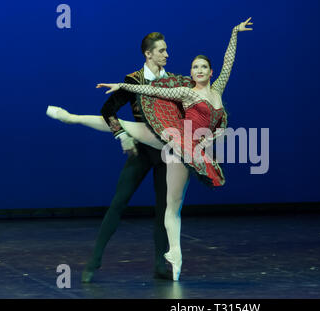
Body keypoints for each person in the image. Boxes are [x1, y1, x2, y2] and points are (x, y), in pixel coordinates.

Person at [47, 18, 253, 280]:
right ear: (149, 53)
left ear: (209, 72)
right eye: (162, 51)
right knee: (120, 202)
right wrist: (121, 122)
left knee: (167, 207)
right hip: (149, 145)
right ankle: (94, 262)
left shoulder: (184, 84)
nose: (167, 54)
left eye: (203, 67)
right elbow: (113, 108)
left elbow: (225, 69)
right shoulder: (154, 83)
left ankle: (166, 261)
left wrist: (234, 33)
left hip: (175, 150)